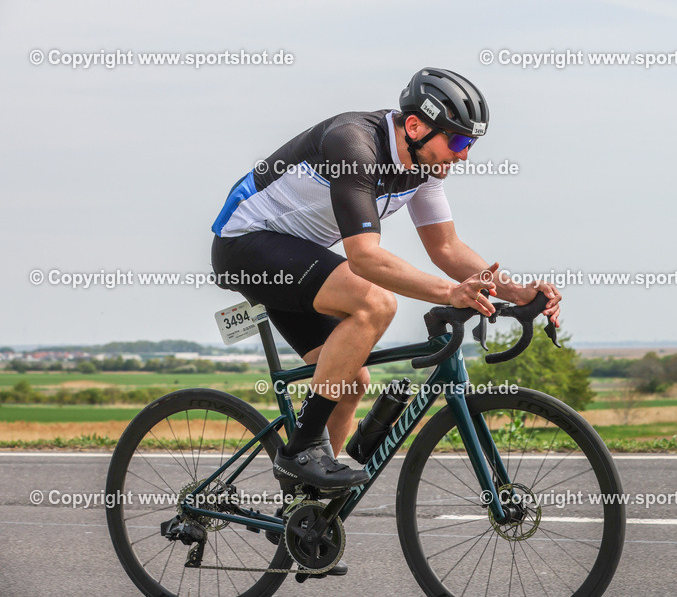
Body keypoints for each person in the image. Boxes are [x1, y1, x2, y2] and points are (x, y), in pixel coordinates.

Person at [210, 67, 562, 494]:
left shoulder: (425, 167)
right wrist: (451, 292)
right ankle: (300, 453)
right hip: (245, 244)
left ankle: (308, 508)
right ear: (415, 126)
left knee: (350, 382)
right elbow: (364, 258)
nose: (464, 155)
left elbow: (446, 247)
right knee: (375, 303)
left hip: (297, 254)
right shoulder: (353, 145)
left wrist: (516, 291)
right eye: (458, 142)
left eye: (470, 144)